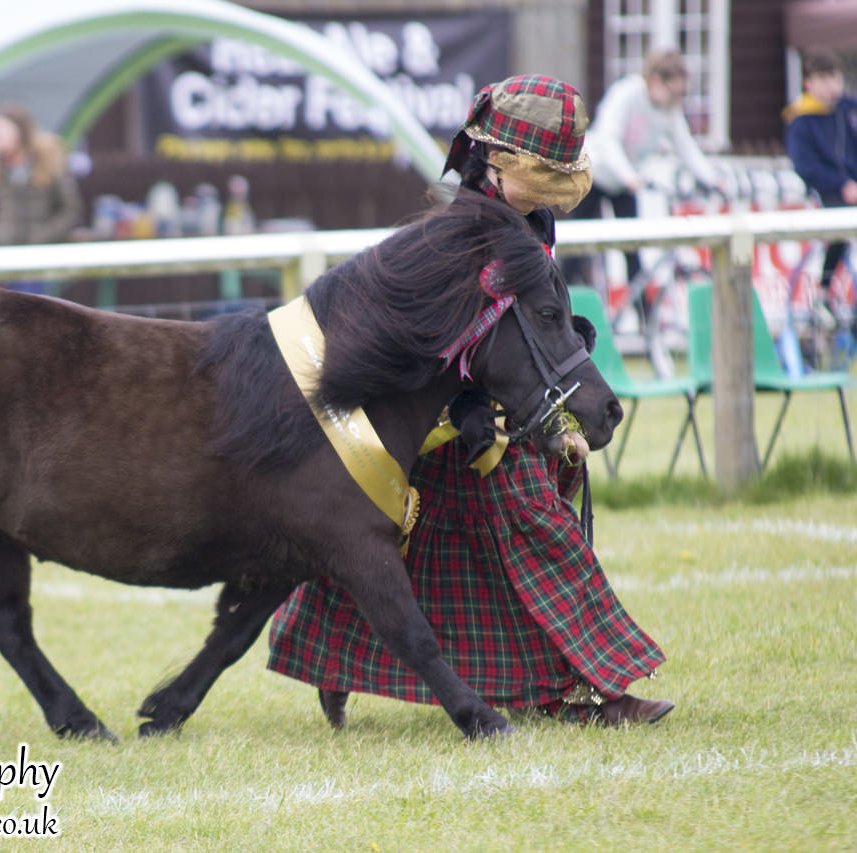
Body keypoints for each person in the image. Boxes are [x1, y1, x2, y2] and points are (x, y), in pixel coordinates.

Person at [267, 75, 673, 729]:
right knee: (466, 545)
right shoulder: (453, 236)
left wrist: (561, 392)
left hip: (500, 416)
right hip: (443, 425)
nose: (552, 195)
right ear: (496, 160)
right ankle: (336, 660)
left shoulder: (529, 218)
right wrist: (471, 413)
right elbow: (415, 341)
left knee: (438, 556)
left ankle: (569, 689)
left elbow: (535, 327)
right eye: (542, 176)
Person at [569, 49, 721, 301]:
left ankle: (643, 317)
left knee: (632, 252)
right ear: (655, 80)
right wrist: (629, 176)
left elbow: (686, 147)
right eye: (673, 92)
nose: (676, 100)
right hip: (593, 176)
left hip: (624, 184)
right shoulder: (626, 93)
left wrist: (712, 179)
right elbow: (609, 141)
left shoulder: (668, 111)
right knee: (576, 250)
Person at [782, 48, 857, 315]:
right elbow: (805, 166)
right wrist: (841, 184)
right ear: (809, 83)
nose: (830, 86)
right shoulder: (801, 118)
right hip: (827, 191)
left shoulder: (849, 111)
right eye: (823, 79)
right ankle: (825, 290)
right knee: (840, 225)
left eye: (833, 78)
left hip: (853, 186)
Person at [0, 102, 82, 248]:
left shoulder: (48, 160)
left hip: (43, 249)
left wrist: (46, 234)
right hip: (6, 250)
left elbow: (70, 208)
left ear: (20, 130)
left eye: (3, 130)